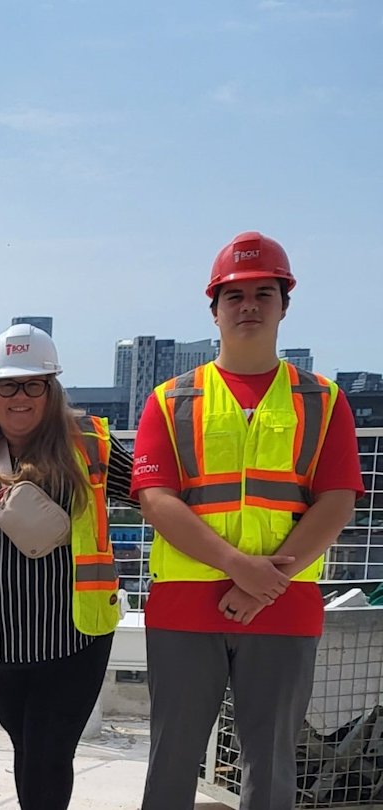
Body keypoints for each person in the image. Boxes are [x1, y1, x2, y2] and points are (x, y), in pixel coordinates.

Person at [136, 232, 362, 809]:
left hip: (283, 603)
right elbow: (156, 499)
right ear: (214, 309)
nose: (249, 306)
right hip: (188, 600)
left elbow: (336, 501)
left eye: (265, 293)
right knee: (173, 755)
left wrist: (264, 583)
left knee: (272, 759)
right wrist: (240, 568)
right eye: (234, 296)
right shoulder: (170, 400)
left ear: (285, 304)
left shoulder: (324, 400)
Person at [0, 323, 132, 810]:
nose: (19, 396)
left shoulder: (89, 446)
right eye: (7, 384)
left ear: (52, 389)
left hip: (71, 635)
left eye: (33, 385)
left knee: (48, 754)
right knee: (25, 747)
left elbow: (156, 492)